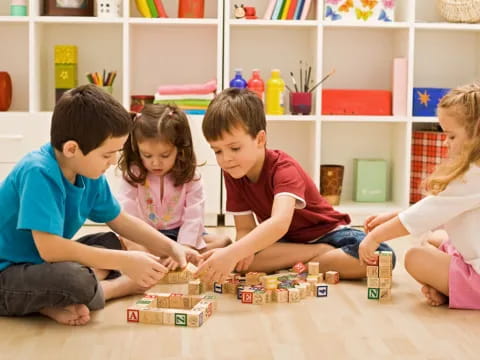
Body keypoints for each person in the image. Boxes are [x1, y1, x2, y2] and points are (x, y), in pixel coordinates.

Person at [0, 85, 199, 326]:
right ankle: (110, 288)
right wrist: (124, 263)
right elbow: (50, 249)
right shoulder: (38, 172)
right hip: (8, 272)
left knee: (113, 242)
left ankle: (52, 300)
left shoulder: (88, 173)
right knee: (76, 280)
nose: (113, 161)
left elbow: (120, 220)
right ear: (72, 149)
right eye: (107, 155)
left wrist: (170, 247)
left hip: (40, 265)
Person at [195, 88, 395, 283]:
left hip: (328, 234)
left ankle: (314, 257)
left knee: (383, 257)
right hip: (286, 243)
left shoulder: (283, 168)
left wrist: (233, 253)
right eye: (217, 151)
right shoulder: (233, 171)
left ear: (260, 139)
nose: (226, 159)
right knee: (245, 260)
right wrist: (239, 252)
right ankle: (315, 257)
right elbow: (245, 229)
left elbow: (279, 222)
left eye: (234, 148)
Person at [359, 82, 480, 310]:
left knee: (415, 256)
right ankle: (449, 289)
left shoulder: (475, 175)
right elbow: (436, 208)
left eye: (451, 137)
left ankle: (454, 291)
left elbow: (427, 213)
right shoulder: (473, 171)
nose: (445, 142)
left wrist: (375, 236)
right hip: (473, 252)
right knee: (434, 239)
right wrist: (393, 216)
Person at [117, 103, 230, 264]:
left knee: (223, 242)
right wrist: (139, 243)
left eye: (165, 155)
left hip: (180, 234)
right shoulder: (134, 173)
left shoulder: (191, 177)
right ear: (137, 148)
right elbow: (126, 210)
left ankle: (170, 256)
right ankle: (160, 257)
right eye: (147, 155)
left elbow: (194, 216)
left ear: (180, 148)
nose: (155, 163)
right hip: (149, 235)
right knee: (126, 242)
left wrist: (183, 247)